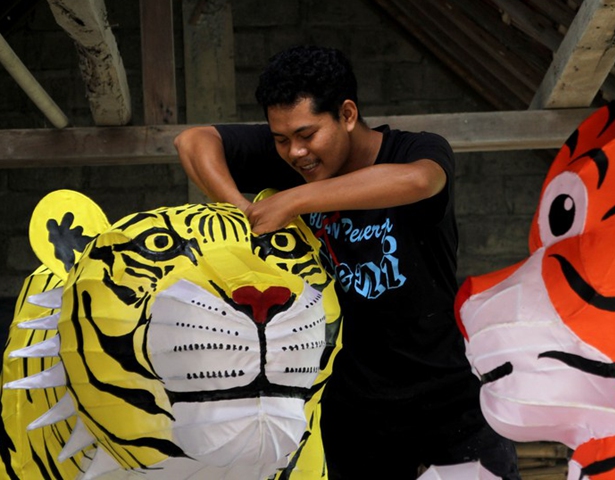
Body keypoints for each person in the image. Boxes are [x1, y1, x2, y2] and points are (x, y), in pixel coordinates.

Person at [174, 45, 520, 480]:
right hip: (351, 410)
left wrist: (293, 200)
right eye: (280, 139)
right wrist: (244, 214)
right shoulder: (294, 157)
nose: (295, 152)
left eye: (306, 134)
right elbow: (192, 142)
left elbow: (420, 179)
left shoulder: (413, 149)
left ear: (348, 115)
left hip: (450, 396)